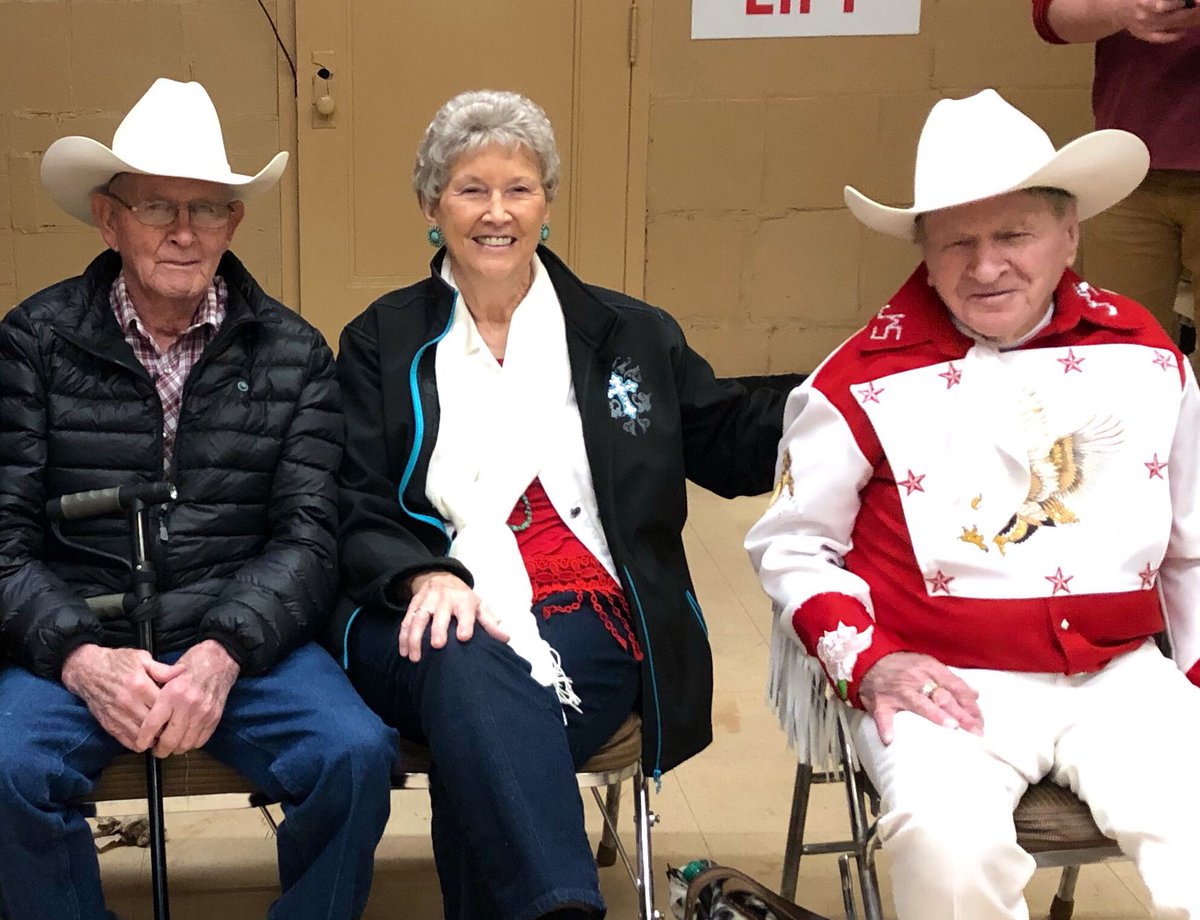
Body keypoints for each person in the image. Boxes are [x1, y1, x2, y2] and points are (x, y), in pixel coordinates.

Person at [746, 88, 1200, 919]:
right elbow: (792, 544)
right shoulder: (857, 380)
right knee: (943, 841)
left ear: (1071, 235)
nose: (986, 267)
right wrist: (871, 660)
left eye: (1014, 235)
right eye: (958, 243)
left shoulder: (1146, 353)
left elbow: (1194, 545)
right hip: (943, 684)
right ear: (923, 249)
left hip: (1122, 674)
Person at [333, 89, 783, 920]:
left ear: (546, 203)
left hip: (587, 607)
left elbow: (726, 438)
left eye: (520, 188)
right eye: (472, 189)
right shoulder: (381, 338)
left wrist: (844, 397)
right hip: (411, 606)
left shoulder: (625, 332)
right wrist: (425, 576)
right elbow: (354, 497)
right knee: (464, 652)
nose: (497, 212)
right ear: (433, 206)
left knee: (481, 722)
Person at [0, 78, 397, 920]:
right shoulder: (33, 344)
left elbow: (309, 537)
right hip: (84, 641)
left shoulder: (293, 353)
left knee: (353, 755)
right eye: (155, 208)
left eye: (207, 209)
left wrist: (222, 651)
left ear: (233, 223)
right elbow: (3, 539)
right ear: (109, 219)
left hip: (240, 641)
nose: (183, 232)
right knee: (5, 769)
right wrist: (81, 657)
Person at [1033, 0, 1199, 334]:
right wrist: (1119, 9)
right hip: (1128, 168)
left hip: (1130, 159)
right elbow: (1049, 18)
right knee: (1118, 349)